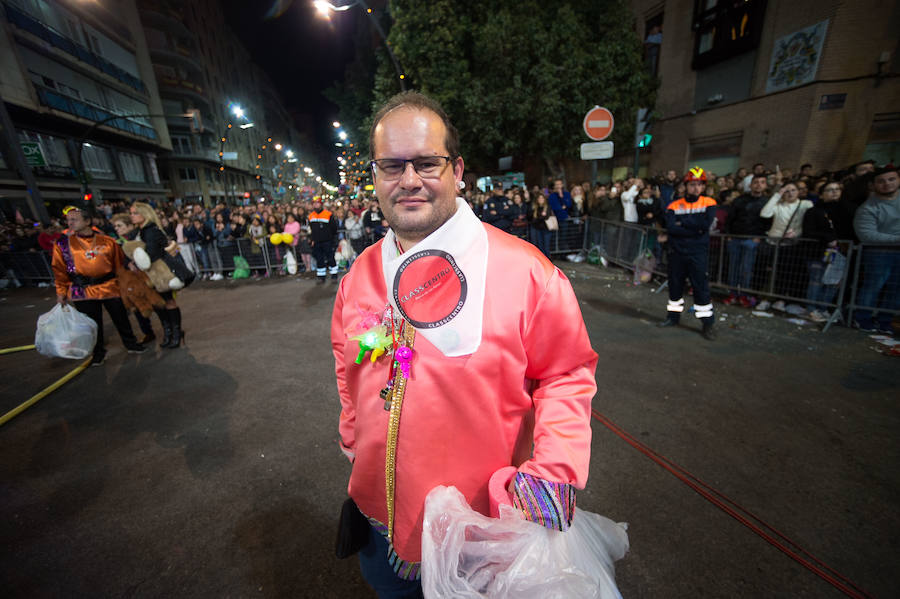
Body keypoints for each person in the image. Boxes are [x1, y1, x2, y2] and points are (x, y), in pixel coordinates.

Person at [331, 91, 597, 597]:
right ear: (374, 177)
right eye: (391, 166)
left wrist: (551, 476)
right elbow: (348, 361)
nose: (408, 180)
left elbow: (567, 374)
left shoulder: (527, 272)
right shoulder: (359, 273)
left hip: (485, 533)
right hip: (379, 521)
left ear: (457, 171)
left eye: (426, 163)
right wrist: (352, 437)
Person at [52, 205, 145, 365]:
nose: (70, 223)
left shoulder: (107, 241)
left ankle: (131, 343)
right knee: (91, 324)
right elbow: (59, 270)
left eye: (74, 219)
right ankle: (98, 352)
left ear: (87, 221)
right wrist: (61, 292)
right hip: (83, 290)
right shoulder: (62, 244)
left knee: (121, 317)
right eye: (68, 220)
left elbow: (118, 265)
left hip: (109, 286)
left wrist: (127, 283)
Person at [658, 167, 718, 340]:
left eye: (699, 185)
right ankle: (672, 317)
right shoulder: (674, 205)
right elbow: (670, 227)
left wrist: (681, 224)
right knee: (675, 286)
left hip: (697, 253)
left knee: (700, 287)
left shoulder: (709, 203)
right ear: (686, 186)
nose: (696, 188)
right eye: (693, 184)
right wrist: (692, 227)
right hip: (677, 252)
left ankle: (707, 323)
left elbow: (704, 226)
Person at [130, 202, 185, 348]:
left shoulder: (151, 230)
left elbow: (152, 253)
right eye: (131, 213)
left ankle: (176, 333)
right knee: (158, 303)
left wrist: (137, 260)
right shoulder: (140, 231)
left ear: (144, 214)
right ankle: (169, 332)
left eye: (135, 213)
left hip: (160, 273)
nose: (132, 216)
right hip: (149, 275)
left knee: (168, 302)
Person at [852, 164, 900, 333]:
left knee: (896, 289)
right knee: (873, 286)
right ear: (873, 185)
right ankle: (862, 318)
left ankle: (885, 320)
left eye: (892, 179)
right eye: (881, 181)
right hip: (879, 253)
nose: (887, 184)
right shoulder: (868, 208)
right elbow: (867, 235)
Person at [723, 173, 771, 307]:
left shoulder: (766, 202)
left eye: (762, 182)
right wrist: (729, 234)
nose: (758, 185)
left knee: (747, 269)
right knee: (733, 268)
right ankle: (733, 294)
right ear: (750, 185)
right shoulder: (740, 200)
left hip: (752, 240)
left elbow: (767, 222)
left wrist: (760, 237)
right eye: (756, 182)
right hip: (735, 238)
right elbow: (730, 218)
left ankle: (744, 295)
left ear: (765, 185)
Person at [308, 196, 339, 283]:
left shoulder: (328, 214)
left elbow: (334, 228)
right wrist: (312, 239)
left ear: (321, 204)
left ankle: (334, 275)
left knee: (330, 258)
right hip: (317, 242)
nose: (316, 205)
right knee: (319, 259)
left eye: (317, 203)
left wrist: (332, 238)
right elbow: (311, 229)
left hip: (327, 241)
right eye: (314, 203)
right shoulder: (311, 216)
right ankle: (321, 277)